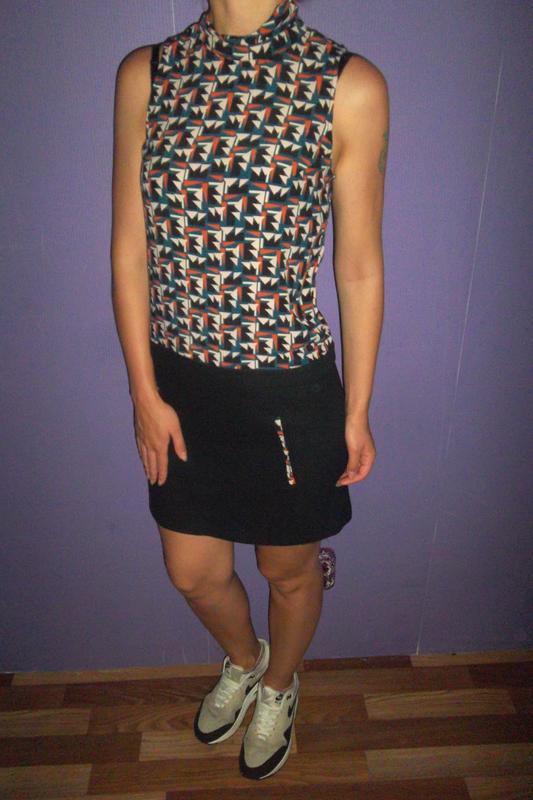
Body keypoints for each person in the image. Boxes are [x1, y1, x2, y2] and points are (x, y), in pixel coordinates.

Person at [111, 0, 387, 781]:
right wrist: (143, 393)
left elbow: (357, 266)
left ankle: (278, 684)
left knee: (286, 572)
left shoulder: (346, 83)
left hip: (287, 391)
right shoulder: (148, 74)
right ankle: (245, 657)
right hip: (180, 384)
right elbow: (129, 251)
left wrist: (357, 409)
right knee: (192, 573)